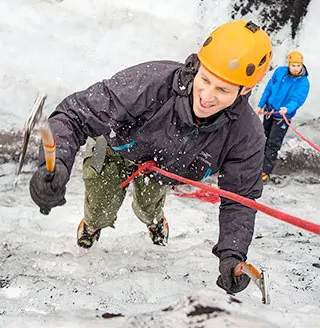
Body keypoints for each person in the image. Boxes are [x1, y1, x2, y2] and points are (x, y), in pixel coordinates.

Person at [29, 20, 273, 295]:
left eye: (223, 90)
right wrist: (55, 164)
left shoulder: (245, 133)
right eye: (205, 80)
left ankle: (155, 220)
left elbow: (241, 198)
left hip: (162, 169)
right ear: (197, 66)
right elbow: (74, 115)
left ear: (245, 91)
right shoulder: (150, 83)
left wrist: (233, 252)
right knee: (100, 206)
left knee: (148, 206)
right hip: (112, 150)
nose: (206, 96)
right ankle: (92, 224)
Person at [256, 51, 310, 182]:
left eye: (298, 65)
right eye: (293, 65)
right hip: (270, 110)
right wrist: (261, 104)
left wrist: (288, 108)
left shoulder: (303, 83)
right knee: (263, 137)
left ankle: (265, 170)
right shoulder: (280, 72)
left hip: (282, 116)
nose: (296, 68)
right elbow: (269, 88)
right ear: (289, 64)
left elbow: (298, 99)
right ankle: (256, 164)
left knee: (273, 143)